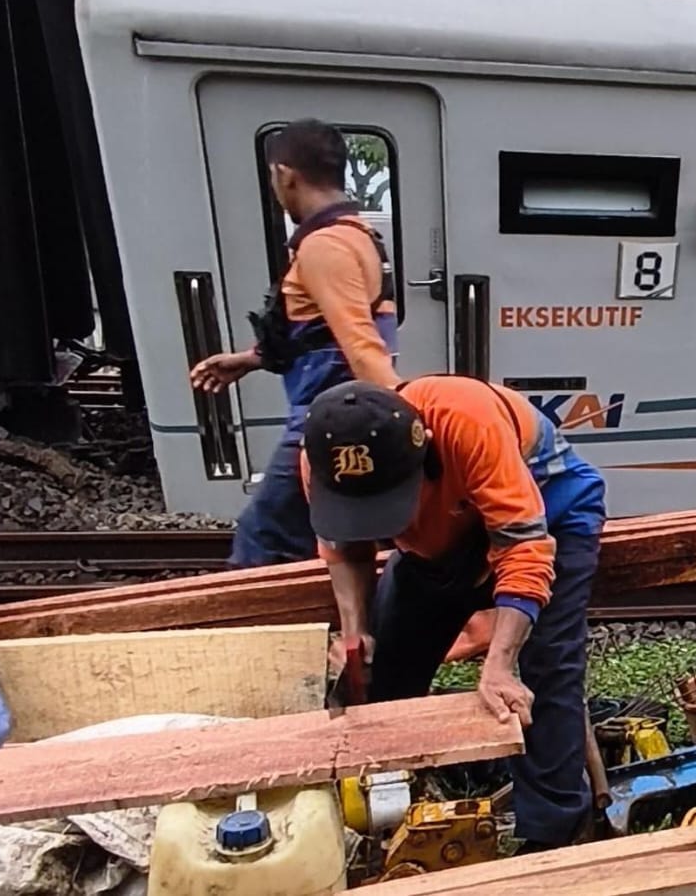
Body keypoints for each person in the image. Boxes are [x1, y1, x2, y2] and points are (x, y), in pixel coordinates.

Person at [302, 376, 606, 851]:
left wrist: (501, 663)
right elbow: (345, 549)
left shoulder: (465, 420)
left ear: (422, 458)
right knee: (382, 675)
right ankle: (390, 810)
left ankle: (550, 838)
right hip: (441, 534)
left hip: (548, 513)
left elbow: (524, 547)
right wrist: (356, 634)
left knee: (540, 682)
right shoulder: (323, 458)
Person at [190, 119, 400, 566]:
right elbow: (323, 334)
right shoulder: (359, 235)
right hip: (341, 412)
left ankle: (260, 629)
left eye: (273, 178)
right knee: (335, 538)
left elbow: (359, 345)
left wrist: (406, 417)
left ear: (285, 173)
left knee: (264, 537)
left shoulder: (325, 246)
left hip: (330, 419)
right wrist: (252, 359)